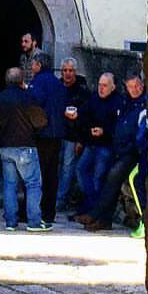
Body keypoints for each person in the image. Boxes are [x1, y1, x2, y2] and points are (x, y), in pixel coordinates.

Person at [78, 72, 148, 233]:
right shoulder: (126, 103)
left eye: (137, 85)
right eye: (131, 86)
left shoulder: (145, 104)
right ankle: (103, 220)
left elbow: (141, 132)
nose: (135, 89)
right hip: (119, 148)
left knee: (113, 177)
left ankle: (96, 214)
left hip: (133, 152)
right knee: (107, 180)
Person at [0, 67, 50, 231]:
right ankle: (34, 222)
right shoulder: (28, 98)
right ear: (22, 80)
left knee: (9, 185)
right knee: (33, 184)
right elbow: (41, 121)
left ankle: (10, 222)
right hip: (25, 146)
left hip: (5, 147)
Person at [27, 50, 66, 227]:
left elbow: (34, 103)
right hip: (57, 134)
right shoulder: (59, 83)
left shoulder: (38, 82)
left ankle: (37, 211)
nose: (31, 67)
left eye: (33, 64)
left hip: (42, 134)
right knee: (52, 174)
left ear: (39, 65)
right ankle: (50, 212)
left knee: (38, 175)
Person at [74, 72, 120, 215]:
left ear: (113, 87)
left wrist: (104, 131)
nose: (101, 88)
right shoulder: (94, 98)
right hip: (91, 142)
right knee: (80, 170)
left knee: (98, 178)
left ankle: (94, 210)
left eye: (105, 85)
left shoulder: (118, 102)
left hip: (105, 146)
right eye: (100, 85)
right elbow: (84, 114)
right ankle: (91, 205)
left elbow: (118, 127)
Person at [56, 58, 90, 211]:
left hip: (73, 134)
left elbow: (87, 115)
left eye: (70, 70)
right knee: (56, 166)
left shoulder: (82, 90)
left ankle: (61, 200)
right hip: (57, 133)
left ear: (75, 72)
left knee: (68, 168)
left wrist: (80, 139)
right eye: (65, 70)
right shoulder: (57, 86)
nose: (67, 74)